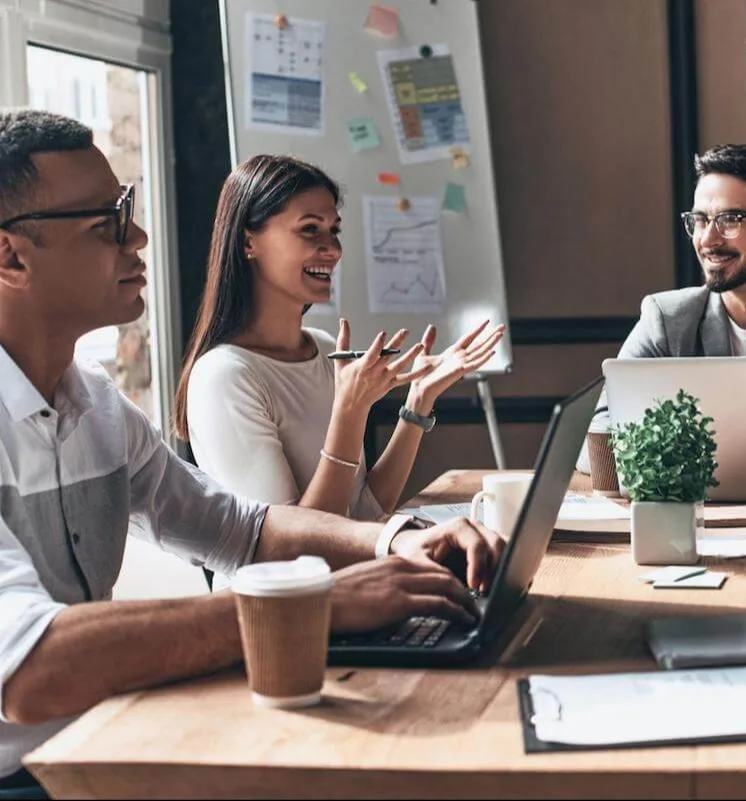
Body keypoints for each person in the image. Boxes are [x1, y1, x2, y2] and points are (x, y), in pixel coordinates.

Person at [0, 108, 504, 793]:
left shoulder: (93, 401)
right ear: (10, 256)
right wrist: (313, 604)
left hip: (103, 739)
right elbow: (32, 672)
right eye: (107, 222)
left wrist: (394, 538)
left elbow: (242, 527)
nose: (139, 236)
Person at [173, 154, 505, 522]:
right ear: (249, 242)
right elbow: (292, 547)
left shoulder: (327, 349)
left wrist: (419, 400)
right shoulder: (224, 377)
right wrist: (349, 412)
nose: (332, 249)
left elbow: (364, 510)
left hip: (354, 576)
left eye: (334, 230)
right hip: (291, 580)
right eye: (310, 229)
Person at [578, 143, 746, 473]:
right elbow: (597, 441)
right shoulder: (667, 321)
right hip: (697, 516)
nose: (708, 240)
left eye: (730, 219)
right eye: (700, 220)